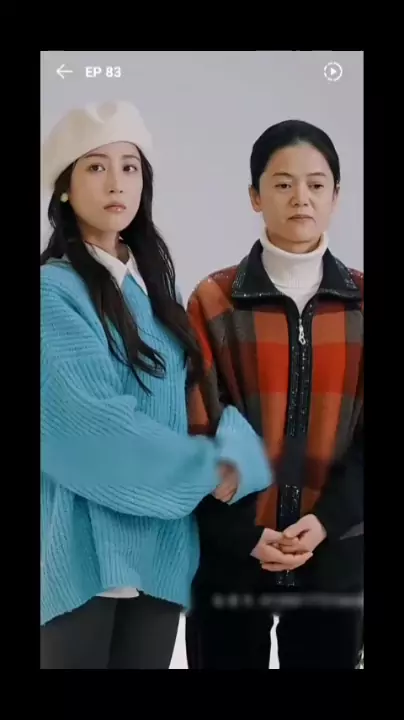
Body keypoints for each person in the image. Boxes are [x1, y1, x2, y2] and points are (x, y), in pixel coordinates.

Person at [40, 100, 272, 669]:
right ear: (64, 187)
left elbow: (205, 405)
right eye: (95, 166)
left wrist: (240, 460)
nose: (116, 183)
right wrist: (210, 470)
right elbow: (92, 432)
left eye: (130, 167)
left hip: (161, 558)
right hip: (83, 558)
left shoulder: (156, 299)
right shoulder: (51, 292)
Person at [185, 119, 363, 670]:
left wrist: (328, 519)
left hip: (335, 552)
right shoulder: (214, 300)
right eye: (283, 184)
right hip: (232, 555)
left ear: (336, 196)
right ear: (255, 196)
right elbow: (193, 430)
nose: (300, 197)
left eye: (316, 184)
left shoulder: (361, 301)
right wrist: (242, 533)